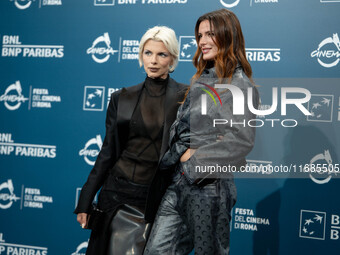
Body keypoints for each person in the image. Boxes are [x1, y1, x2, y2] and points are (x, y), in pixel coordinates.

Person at [144, 9, 259, 255]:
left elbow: (240, 141)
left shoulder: (239, 85)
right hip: (178, 184)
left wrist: (191, 161)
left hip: (210, 188)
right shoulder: (202, 78)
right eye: (200, 35)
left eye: (210, 34)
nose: (203, 41)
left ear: (229, 36)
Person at [74, 26, 187, 255]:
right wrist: (86, 199)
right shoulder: (122, 98)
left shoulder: (185, 97)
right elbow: (108, 152)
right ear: (140, 55)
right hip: (115, 196)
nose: (153, 61)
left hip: (155, 201)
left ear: (173, 58)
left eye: (161, 54)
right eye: (148, 53)